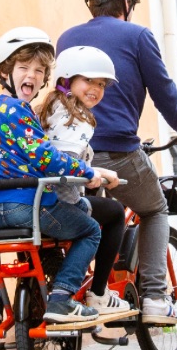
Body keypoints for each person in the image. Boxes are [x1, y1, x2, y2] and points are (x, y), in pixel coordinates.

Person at [57, 0, 177, 324]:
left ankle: (95, 291)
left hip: (71, 154)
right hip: (119, 150)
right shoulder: (138, 36)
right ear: (127, 2)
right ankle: (155, 297)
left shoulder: (66, 38)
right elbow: (163, 90)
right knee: (154, 209)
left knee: (92, 217)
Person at [0, 26, 119, 324]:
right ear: (5, 74)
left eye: (39, 71)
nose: (33, 75)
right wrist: (87, 172)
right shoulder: (21, 113)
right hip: (27, 207)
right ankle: (62, 297)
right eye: (24, 67)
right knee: (90, 230)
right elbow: (46, 157)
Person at [36, 45, 130, 315]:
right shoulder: (76, 118)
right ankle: (99, 294)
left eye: (101, 84)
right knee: (112, 214)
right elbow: (66, 160)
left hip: (35, 199)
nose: (96, 89)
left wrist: (97, 172)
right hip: (59, 200)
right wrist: (94, 175)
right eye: (88, 80)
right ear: (67, 79)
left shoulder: (50, 108)